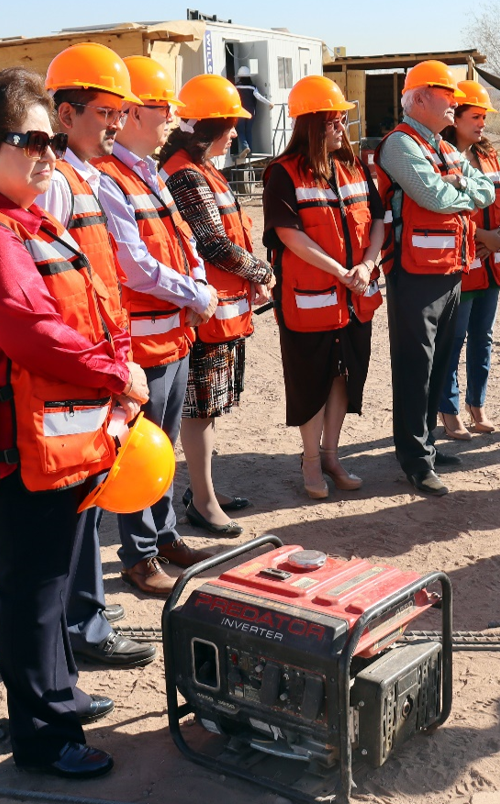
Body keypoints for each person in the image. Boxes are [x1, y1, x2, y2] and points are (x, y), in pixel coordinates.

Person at [0, 66, 149, 778]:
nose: (48, 153)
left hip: (54, 445)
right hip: (16, 453)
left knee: (51, 588)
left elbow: (78, 309)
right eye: (30, 140)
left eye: (52, 139)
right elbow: (33, 335)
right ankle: (42, 736)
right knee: (30, 597)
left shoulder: (23, 220)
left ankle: (61, 696)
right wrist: (118, 373)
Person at [38, 42, 155, 668]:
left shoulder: (83, 179)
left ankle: (86, 624)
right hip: (76, 377)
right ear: (64, 114)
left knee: (87, 503)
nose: (115, 122)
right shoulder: (54, 185)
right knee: (77, 510)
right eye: (105, 111)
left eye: (119, 112)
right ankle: (82, 631)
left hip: (98, 369)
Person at [96, 55, 216, 595]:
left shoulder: (149, 172)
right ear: (136, 113)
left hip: (174, 332)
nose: (174, 119)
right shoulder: (108, 179)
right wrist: (197, 292)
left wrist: (196, 287)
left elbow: (183, 240)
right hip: (142, 342)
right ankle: (139, 554)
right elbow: (134, 266)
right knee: (138, 450)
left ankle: (163, 535)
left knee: (162, 445)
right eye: (166, 108)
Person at [160, 74, 274, 532]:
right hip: (203, 316)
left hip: (218, 311)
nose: (235, 133)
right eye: (229, 125)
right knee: (199, 410)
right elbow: (212, 243)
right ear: (207, 125)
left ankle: (203, 488)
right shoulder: (186, 174)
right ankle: (203, 501)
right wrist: (263, 273)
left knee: (206, 410)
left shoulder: (197, 167)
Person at [375, 60, 495, 496]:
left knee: (440, 365)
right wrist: (462, 191)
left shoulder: (442, 147)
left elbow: (487, 189)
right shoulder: (400, 145)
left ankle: (426, 445)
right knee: (415, 368)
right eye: (448, 95)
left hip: (450, 271)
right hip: (415, 275)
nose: (455, 103)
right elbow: (433, 196)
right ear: (421, 97)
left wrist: (461, 191)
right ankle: (413, 459)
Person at [263, 75, 385, 499]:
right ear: (313, 124)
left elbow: (379, 221)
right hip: (310, 300)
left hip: (355, 296)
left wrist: (368, 264)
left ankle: (332, 455)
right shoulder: (282, 173)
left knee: (344, 378)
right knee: (310, 381)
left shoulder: (355, 167)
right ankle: (310, 461)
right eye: (334, 120)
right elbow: (289, 235)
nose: (341, 128)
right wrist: (340, 271)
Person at [437, 81, 500, 440]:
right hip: (461, 270)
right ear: (455, 118)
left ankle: (477, 404)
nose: (482, 123)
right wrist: (478, 236)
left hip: (492, 267)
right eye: (476, 116)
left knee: (482, 339)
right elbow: (438, 208)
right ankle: (448, 409)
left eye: (484, 117)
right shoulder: (439, 156)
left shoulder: (489, 156)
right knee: (453, 340)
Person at [234, 66, 274, 157]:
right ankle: (249, 151)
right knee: (248, 130)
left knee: (240, 130)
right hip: (251, 112)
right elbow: (258, 96)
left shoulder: (236, 87)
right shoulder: (252, 87)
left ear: (239, 77)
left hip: (240, 112)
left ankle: (245, 147)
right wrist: (269, 103)